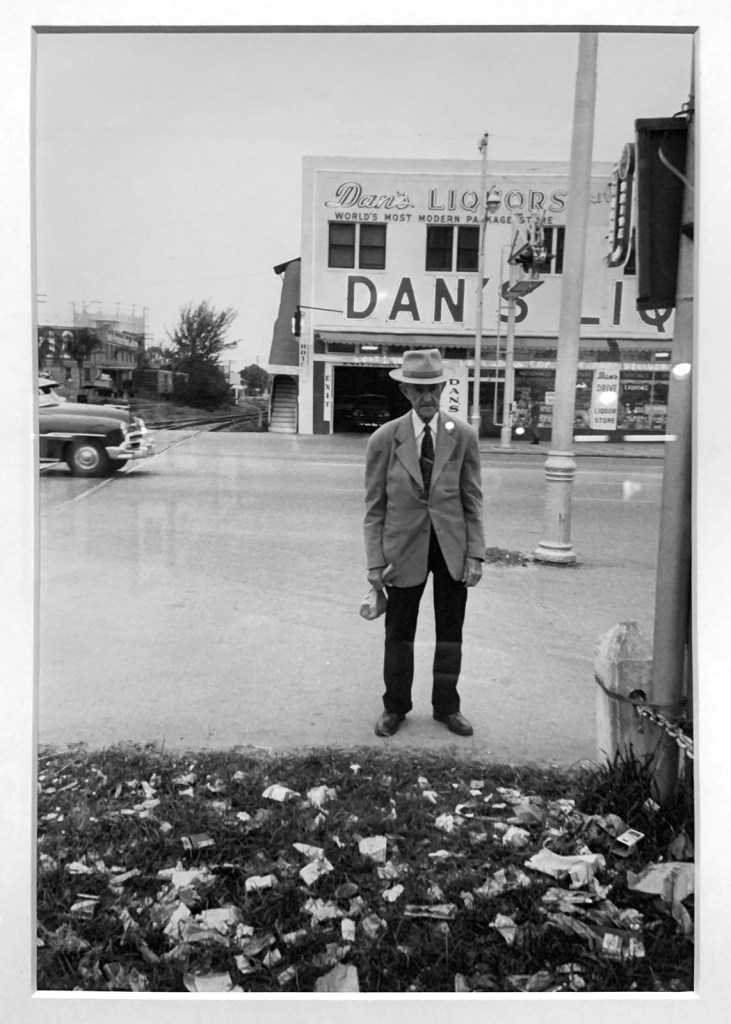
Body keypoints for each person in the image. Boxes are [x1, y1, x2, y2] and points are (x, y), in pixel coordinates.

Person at [364, 349, 485, 738]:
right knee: (399, 633)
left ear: (443, 386)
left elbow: (473, 499)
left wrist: (475, 555)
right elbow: (374, 508)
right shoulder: (385, 439)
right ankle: (395, 707)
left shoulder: (462, 436)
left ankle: (447, 707)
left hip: (451, 549)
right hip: (402, 551)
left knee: (451, 633)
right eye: (418, 389)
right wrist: (374, 565)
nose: (427, 396)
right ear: (404, 390)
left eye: (433, 386)